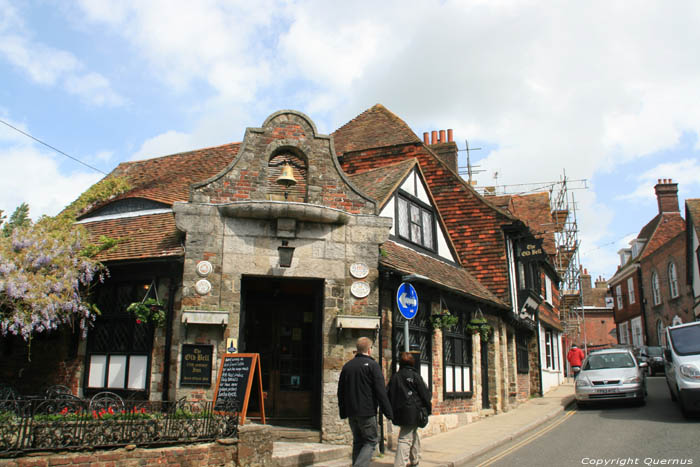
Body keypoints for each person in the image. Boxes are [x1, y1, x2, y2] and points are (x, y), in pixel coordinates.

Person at [338, 337, 394, 467]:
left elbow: (341, 391)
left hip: (352, 412)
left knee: (358, 441)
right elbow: (381, 392)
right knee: (371, 441)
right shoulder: (373, 366)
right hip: (367, 411)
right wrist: (389, 413)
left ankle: (356, 463)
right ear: (369, 350)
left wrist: (343, 411)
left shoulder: (347, 366)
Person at [387, 352, 431, 467]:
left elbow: (389, 394)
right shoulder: (415, 376)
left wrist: (390, 411)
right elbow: (425, 394)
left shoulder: (395, 377)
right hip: (413, 411)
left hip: (399, 411)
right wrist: (428, 408)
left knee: (412, 433)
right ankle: (400, 464)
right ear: (412, 363)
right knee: (404, 439)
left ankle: (415, 460)